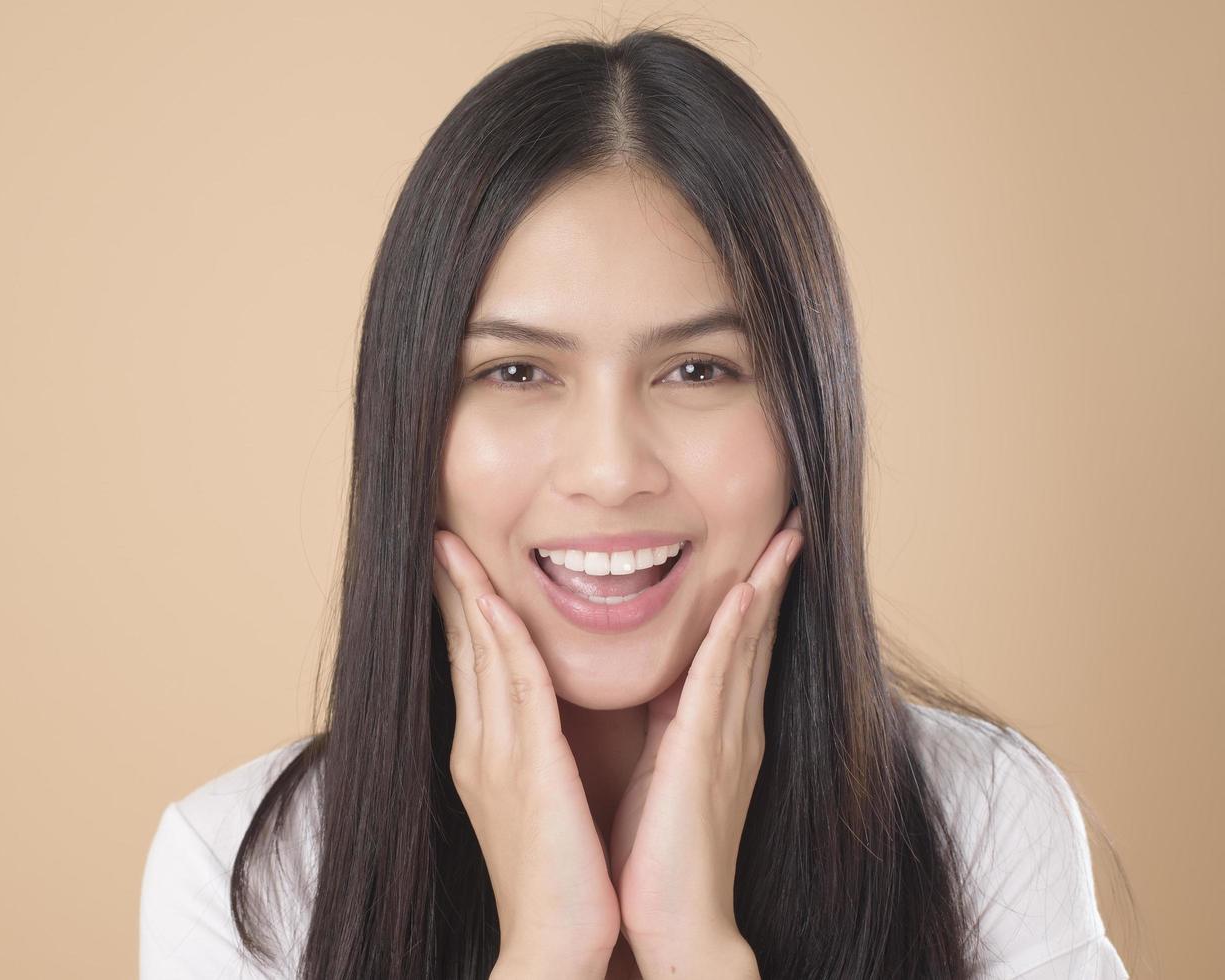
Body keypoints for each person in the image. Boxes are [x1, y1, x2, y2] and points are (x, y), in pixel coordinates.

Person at [140, 25, 1132, 979]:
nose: (611, 471)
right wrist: (548, 954)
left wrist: (693, 949)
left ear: (809, 417)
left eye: (698, 368)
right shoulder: (244, 875)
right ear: (411, 424)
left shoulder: (983, 817)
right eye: (519, 370)